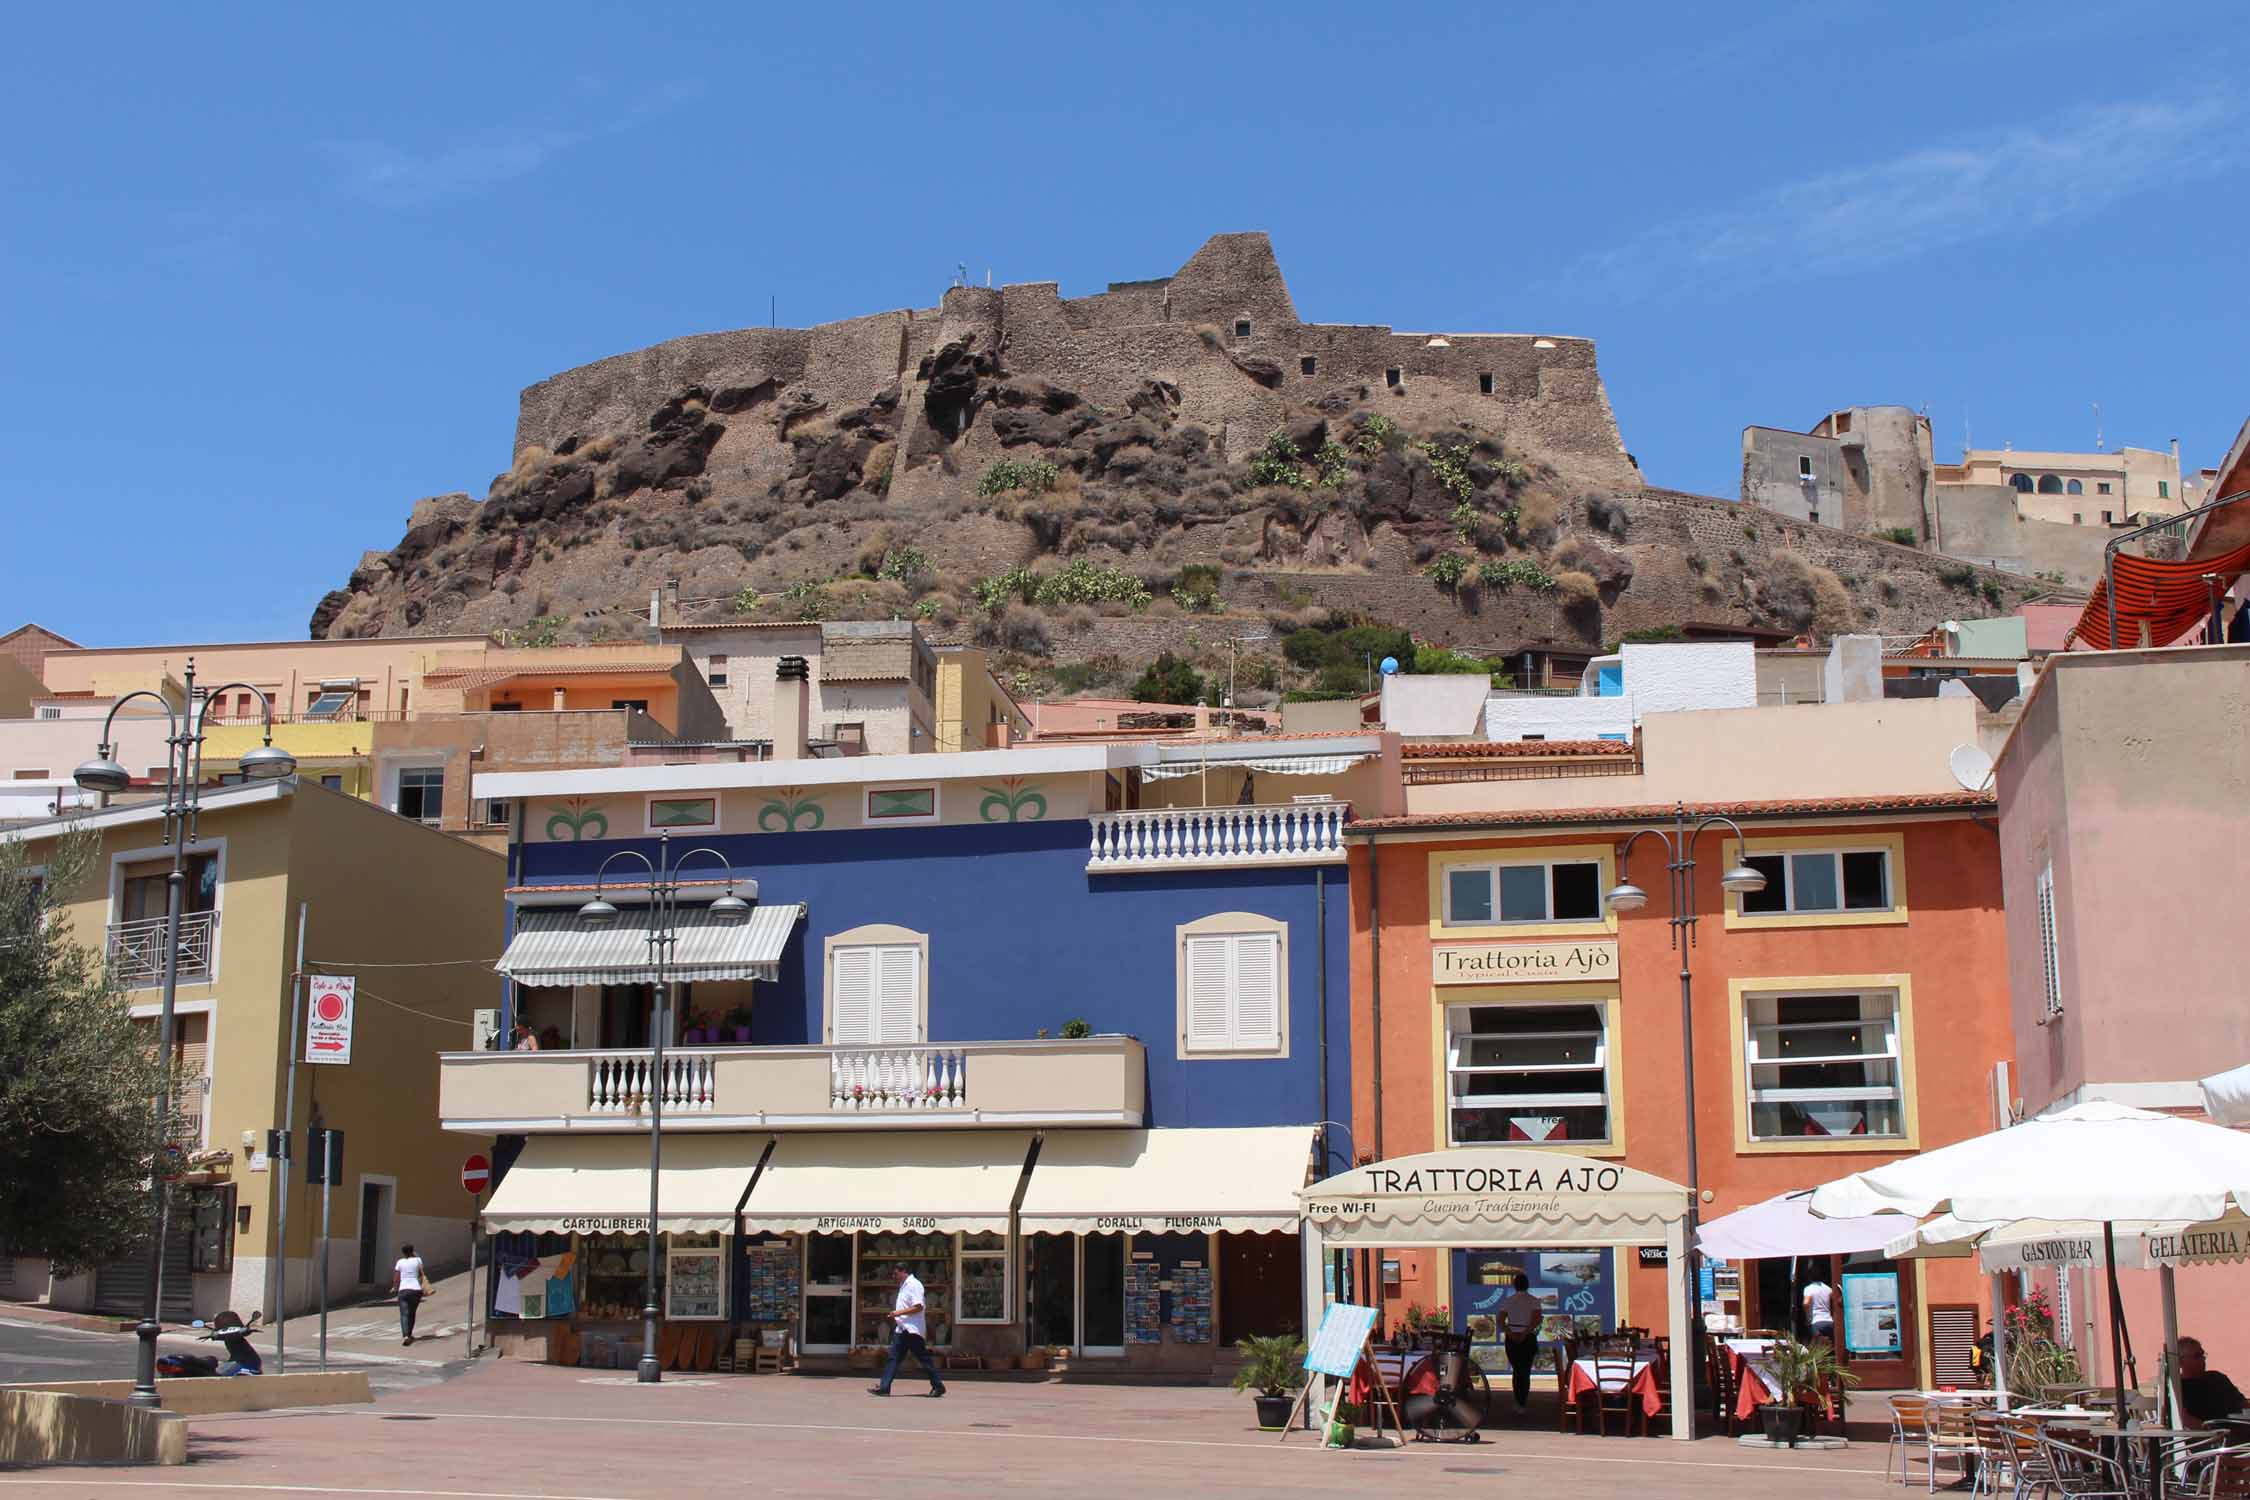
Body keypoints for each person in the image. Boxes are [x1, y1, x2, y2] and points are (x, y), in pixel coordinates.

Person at [868, 1263, 945, 1398]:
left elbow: (919, 1307)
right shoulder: (904, 1285)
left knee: (923, 1359)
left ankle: (938, 1385)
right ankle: (884, 1387)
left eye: (896, 1273)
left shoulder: (914, 1285)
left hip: (912, 1329)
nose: (894, 1276)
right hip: (903, 1329)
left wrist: (898, 1313)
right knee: (893, 1358)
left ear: (904, 1271)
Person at [1500, 1274, 1545, 1413]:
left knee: (1517, 1371)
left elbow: (1501, 1321)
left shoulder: (1508, 1301)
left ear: (1514, 1285)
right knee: (1525, 1371)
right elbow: (1537, 1320)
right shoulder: (1534, 1300)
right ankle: (1522, 1402)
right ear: (1527, 1285)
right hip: (1528, 1337)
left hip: (1512, 1337)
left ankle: (1517, 1400)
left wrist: (1511, 1334)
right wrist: (1525, 1333)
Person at [2180, 1337, 2246, 1428]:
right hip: (2208, 1437)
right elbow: (2184, 1420)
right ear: (2180, 1361)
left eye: (2202, 1355)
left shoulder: (2217, 1378)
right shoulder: (2177, 1388)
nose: (2203, 1359)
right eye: (2197, 1356)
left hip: (2238, 1429)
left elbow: (2243, 1404)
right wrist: (2211, 1431)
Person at [391, 1243, 426, 1346]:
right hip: (415, 1290)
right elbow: (421, 1274)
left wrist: (395, 1287)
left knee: (404, 1314)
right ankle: (410, 1334)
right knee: (412, 1312)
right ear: (412, 1251)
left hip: (403, 1290)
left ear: (403, 1253)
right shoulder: (418, 1260)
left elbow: (396, 1277)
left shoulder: (400, 1262)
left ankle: (406, 1336)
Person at [1801, 1275, 1838, 1344]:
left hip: (1816, 1322)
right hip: (1829, 1322)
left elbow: (1806, 1303)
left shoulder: (1809, 1288)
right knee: (1830, 1347)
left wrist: (1808, 1318)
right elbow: (1836, 1303)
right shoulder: (1828, 1289)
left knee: (1816, 1349)